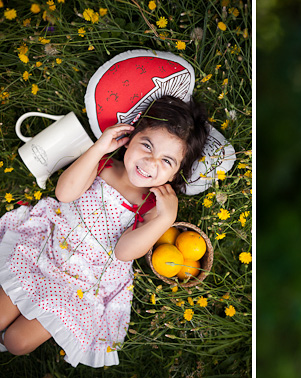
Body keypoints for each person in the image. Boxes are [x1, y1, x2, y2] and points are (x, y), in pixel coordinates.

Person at [0, 95, 209, 367]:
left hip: (80, 287)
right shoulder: (105, 165)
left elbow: (124, 252)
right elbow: (64, 194)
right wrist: (98, 149)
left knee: (17, 343)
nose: (150, 161)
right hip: (45, 252)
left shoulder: (150, 208)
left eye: (167, 161)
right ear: (129, 138)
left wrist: (165, 219)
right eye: (146, 145)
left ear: (174, 175)